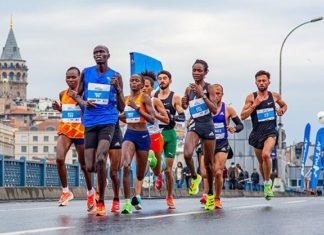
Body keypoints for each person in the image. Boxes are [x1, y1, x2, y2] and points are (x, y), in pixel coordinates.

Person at [74, 45, 124, 216]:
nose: (98, 55)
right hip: (90, 122)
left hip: (108, 121)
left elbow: (122, 106)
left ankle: (101, 201)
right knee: (89, 166)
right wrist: (83, 103)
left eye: (102, 52)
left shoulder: (116, 76)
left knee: (101, 158)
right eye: (95, 52)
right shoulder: (86, 73)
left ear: (108, 55)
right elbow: (76, 95)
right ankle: (102, 178)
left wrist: (117, 89)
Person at [241, 70, 287, 200]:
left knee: (266, 154)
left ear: (268, 82)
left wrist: (281, 110)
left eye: (264, 80)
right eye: (259, 81)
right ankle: (266, 180)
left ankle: (267, 184)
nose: (261, 83)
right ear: (256, 82)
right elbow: (243, 116)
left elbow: (284, 105)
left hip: (271, 132)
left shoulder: (274, 96)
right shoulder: (251, 97)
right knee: (261, 162)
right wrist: (254, 105)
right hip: (257, 133)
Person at [52, 67, 94, 210]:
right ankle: (66, 191)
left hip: (81, 131)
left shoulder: (85, 93)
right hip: (66, 130)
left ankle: (90, 193)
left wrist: (79, 98)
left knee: (84, 165)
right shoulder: (62, 94)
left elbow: (89, 109)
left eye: (73, 77)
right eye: (68, 77)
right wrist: (59, 108)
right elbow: (67, 110)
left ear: (79, 78)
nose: (70, 80)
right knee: (59, 158)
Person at [181, 59, 217, 210]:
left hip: (207, 125)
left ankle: (210, 195)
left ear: (205, 72)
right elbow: (185, 106)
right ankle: (195, 178)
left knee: (208, 165)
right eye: (194, 70)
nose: (196, 73)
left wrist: (203, 95)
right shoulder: (189, 89)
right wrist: (184, 103)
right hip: (195, 125)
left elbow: (214, 109)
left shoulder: (210, 88)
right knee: (187, 154)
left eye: (199, 70)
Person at [132, 71, 170, 209]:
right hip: (140, 136)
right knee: (140, 167)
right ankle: (137, 197)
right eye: (142, 85)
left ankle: (159, 173)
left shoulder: (155, 101)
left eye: (146, 86)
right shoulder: (134, 100)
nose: (143, 88)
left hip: (155, 137)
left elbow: (167, 119)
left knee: (156, 169)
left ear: (151, 88)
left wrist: (155, 115)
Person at [120, 74, 155, 214]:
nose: (133, 83)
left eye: (136, 81)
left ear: (141, 84)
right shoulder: (126, 99)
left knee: (140, 175)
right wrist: (117, 117)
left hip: (143, 136)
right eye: (131, 81)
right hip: (129, 135)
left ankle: (150, 160)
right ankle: (127, 202)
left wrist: (137, 109)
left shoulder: (145, 98)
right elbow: (124, 116)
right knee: (126, 166)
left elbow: (152, 119)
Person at [155, 70, 186, 209]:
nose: (162, 81)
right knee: (153, 161)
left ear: (170, 81)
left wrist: (169, 118)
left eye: (165, 78)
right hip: (157, 133)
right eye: (160, 78)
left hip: (169, 133)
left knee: (168, 170)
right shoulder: (153, 96)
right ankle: (158, 175)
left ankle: (169, 196)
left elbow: (182, 116)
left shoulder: (175, 97)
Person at [211, 84, 244, 208]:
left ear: (222, 94)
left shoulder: (228, 109)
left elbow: (241, 125)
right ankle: (207, 195)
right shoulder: (206, 108)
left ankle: (217, 198)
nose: (216, 96)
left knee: (218, 172)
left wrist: (234, 129)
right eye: (213, 93)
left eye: (218, 93)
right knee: (206, 172)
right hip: (207, 143)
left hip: (222, 143)